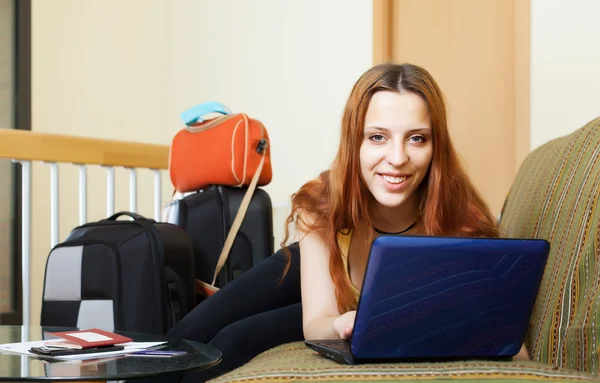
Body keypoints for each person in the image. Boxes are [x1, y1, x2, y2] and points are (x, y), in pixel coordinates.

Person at [158, 62, 528, 383]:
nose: (397, 158)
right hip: (321, 263)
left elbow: (507, 340)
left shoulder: (462, 227)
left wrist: (342, 325)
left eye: (417, 138)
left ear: (435, 148)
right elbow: (318, 318)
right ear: (356, 142)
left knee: (232, 341)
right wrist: (334, 323)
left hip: (347, 309)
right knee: (191, 333)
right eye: (378, 137)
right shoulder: (323, 206)